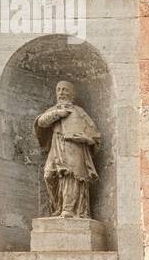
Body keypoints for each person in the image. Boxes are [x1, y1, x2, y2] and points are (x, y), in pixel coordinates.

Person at [34, 80, 101, 218]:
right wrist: (58, 114)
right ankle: (57, 206)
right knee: (49, 175)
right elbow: (41, 122)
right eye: (58, 89)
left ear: (72, 93)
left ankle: (69, 209)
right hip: (56, 146)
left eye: (65, 89)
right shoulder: (54, 110)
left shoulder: (79, 112)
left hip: (74, 147)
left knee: (72, 176)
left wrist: (85, 139)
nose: (61, 92)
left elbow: (95, 134)